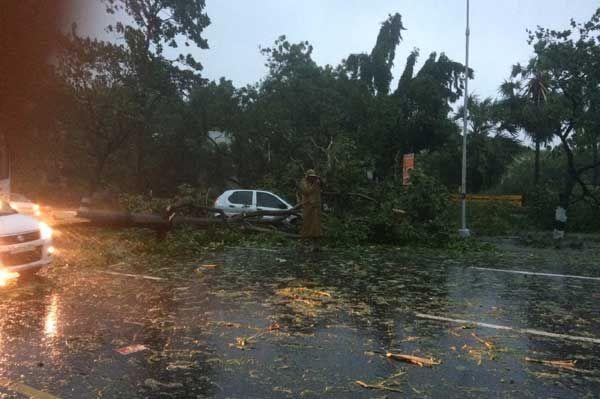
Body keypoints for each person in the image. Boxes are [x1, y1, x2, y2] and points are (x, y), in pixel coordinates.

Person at [299, 169, 323, 251]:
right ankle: (302, 244)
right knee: (306, 226)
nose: (312, 178)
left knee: (316, 227)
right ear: (307, 176)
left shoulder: (316, 183)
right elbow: (306, 191)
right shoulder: (303, 182)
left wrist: (319, 182)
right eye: (311, 177)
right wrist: (314, 185)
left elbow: (319, 193)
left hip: (316, 208)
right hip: (307, 207)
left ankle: (316, 245)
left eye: (314, 177)